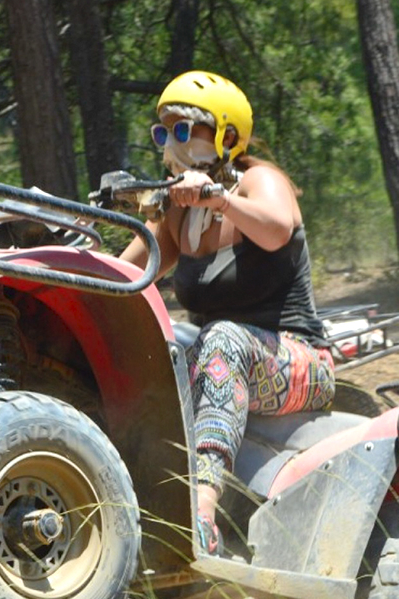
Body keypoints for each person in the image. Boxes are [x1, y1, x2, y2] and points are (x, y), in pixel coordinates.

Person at [119, 70, 335, 557]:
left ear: (226, 135)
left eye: (181, 130)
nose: (168, 143)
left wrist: (220, 198)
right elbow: (124, 270)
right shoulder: (177, 212)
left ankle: (200, 513)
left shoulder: (262, 181)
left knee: (220, 339)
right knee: (158, 341)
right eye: (162, 132)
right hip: (230, 353)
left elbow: (278, 229)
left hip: (301, 360)